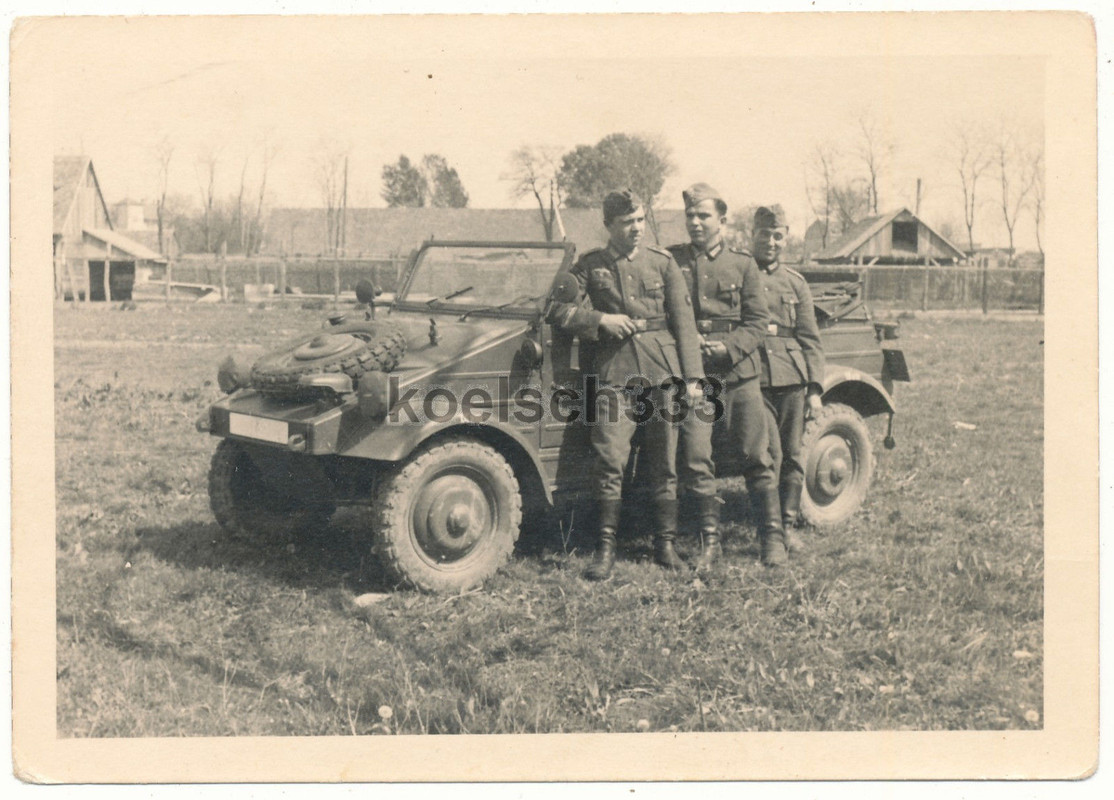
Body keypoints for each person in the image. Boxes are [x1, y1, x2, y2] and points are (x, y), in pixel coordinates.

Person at [548, 189, 704, 581]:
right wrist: (599, 320)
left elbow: (684, 326)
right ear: (609, 226)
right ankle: (605, 548)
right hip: (614, 373)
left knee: (664, 460)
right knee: (610, 459)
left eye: (639, 220)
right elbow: (558, 309)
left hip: (660, 374)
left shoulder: (662, 263)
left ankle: (664, 544)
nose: (635, 229)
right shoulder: (590, 265)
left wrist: (693, 380)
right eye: (626, 223)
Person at [667, 184, 788, 568]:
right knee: (697, 459)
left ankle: (772, 539)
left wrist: (729, 348)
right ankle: (711, 544)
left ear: (721, 220)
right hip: (695, 376)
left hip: (739, 376)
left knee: (757, 456)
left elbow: (757, 322)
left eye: (704, 216)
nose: (696, 223)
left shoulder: (743, 264)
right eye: (691, 216)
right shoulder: (672, 262)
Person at [751, 205, 825, 553]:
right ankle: (769, 533)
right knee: (770, 454)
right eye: (764, 234)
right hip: (756, 377)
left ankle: (787, 526)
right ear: (752, 235)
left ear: (787, 237)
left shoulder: (796, 282)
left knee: (794, 454)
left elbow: (810, 338)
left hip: (793, 378)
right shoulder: (742, 274)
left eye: (777, 235)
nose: (771, 242)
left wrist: (814, 389)